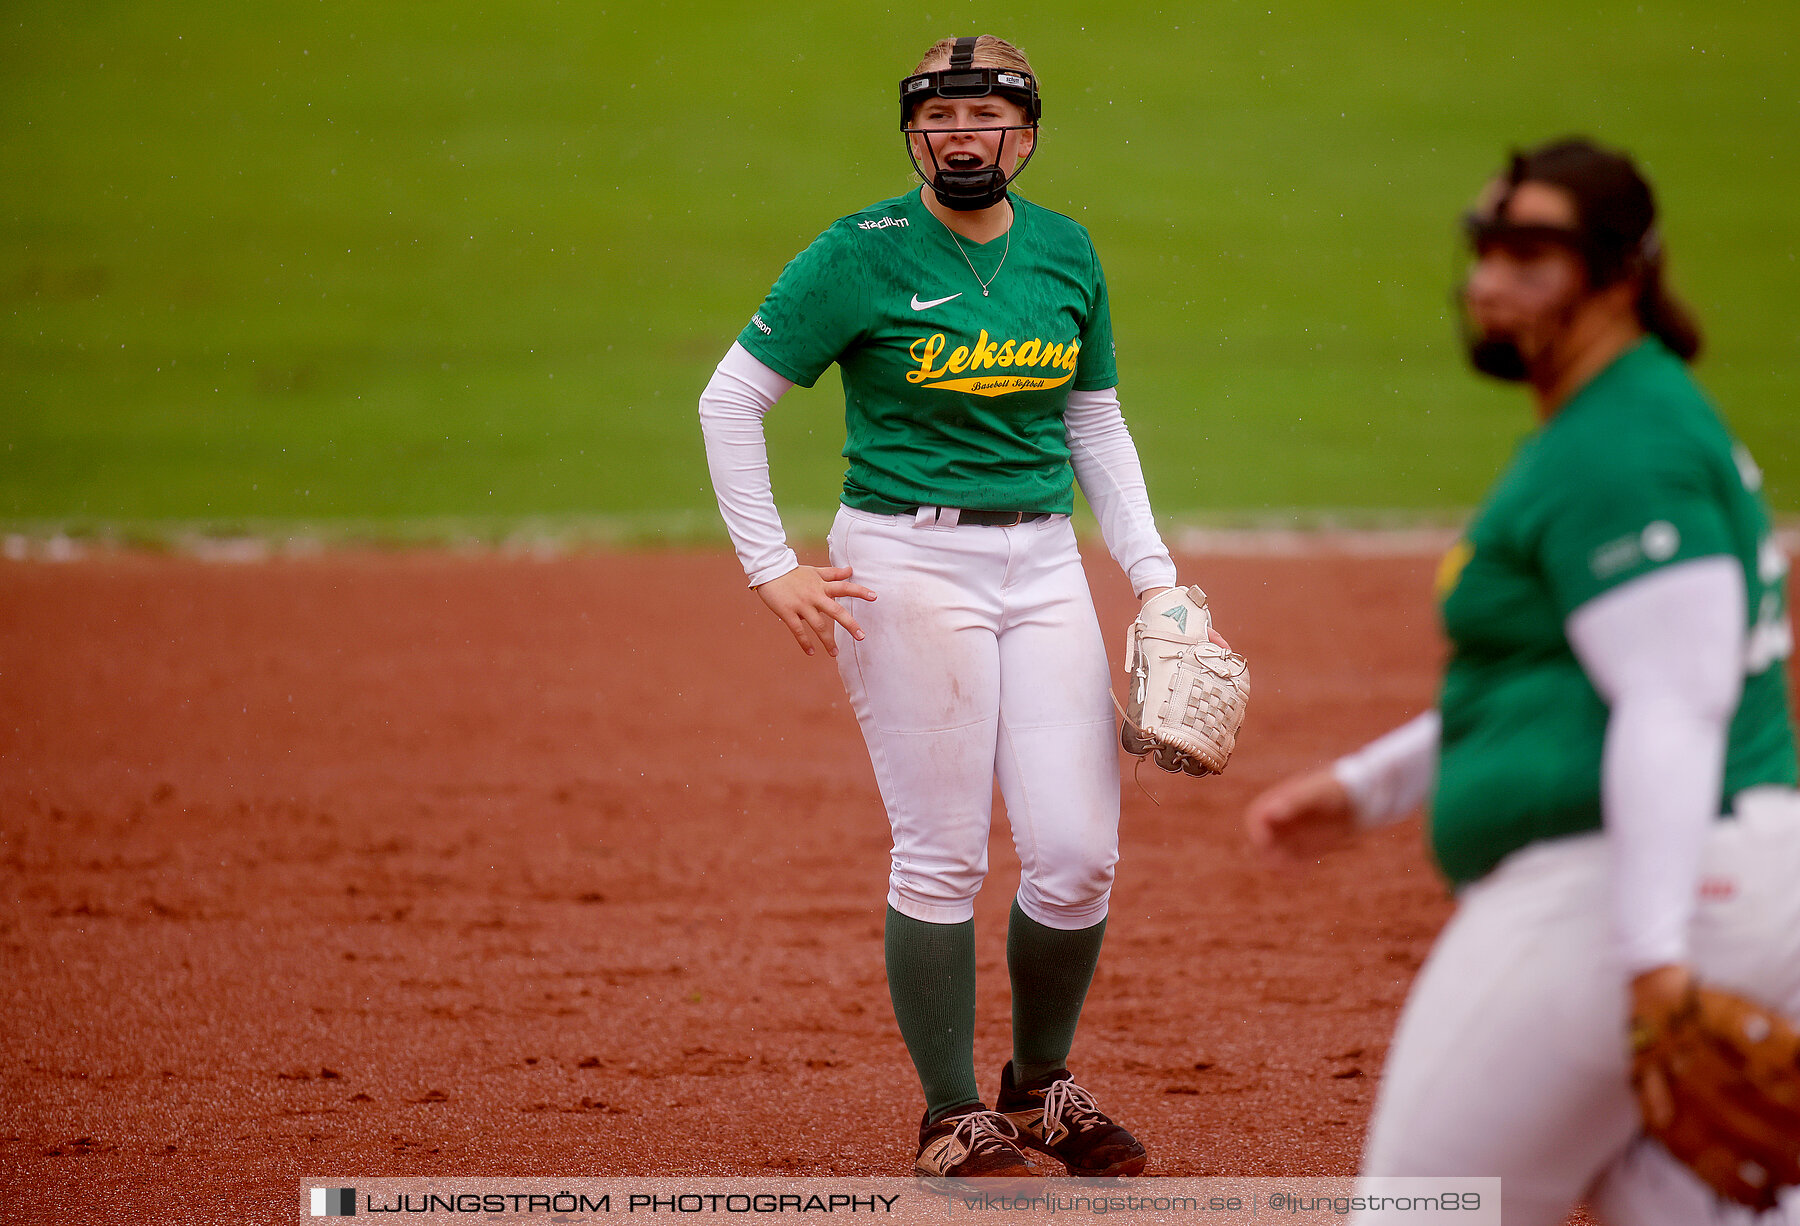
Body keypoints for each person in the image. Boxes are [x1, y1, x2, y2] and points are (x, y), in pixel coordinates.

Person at [1243, 138, 1800, 1225]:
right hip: (1730, 877)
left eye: (1533, 253)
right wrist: (1373, 786)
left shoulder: (1623, 445)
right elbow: (1565, 680)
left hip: (1625, 892)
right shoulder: (1623, 419)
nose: (1493, 280)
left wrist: (1650, 961)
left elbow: (1676, 701)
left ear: (1621, 272)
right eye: (1488, 249)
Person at [699, 35, 1220, 1178]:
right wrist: (767, 562)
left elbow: (1094, 422)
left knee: (1079, 851)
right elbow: (730, 399)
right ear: (913, 135)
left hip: (1041, 566)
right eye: (939, 118)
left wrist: (1156, 576)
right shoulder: (860, 253)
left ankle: (1038, 1088)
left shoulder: (1066, 253)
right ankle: (948, 1113)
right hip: (906, 560)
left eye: (985, 116)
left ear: (1025, 135)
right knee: (940, 852)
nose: (961, 135)